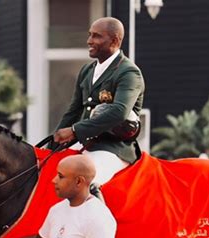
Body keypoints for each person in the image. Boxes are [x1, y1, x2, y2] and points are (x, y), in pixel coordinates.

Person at [52, 17, 145, 185]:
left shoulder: (129, 72)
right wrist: (51, 145)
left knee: (85, 182)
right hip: (84, 144)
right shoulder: (87, 70)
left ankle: (98, 211)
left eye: (96, 36)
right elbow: (74, 110)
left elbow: (119, 112)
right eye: (89, 35)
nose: (89, 41)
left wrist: (74, 130)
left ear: (114, 40)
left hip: (113, 148)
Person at [0, 155, 116, 238]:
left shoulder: (98, 217)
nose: (54, 180)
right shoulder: (57, 210)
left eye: (61, 176)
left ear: (79, 181)